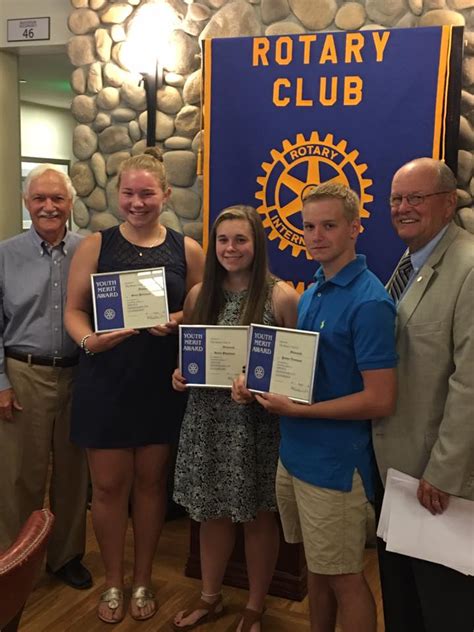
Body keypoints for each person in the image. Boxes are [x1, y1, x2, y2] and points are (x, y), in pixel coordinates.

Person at [248, 183, 398, 632]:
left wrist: (297, 412)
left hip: (335, 466)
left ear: (355, 228)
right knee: (318, 568)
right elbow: (303, 372)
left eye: (328, 226)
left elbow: (380, 398)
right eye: (308, 226)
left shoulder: (370, 302)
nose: (316, 236)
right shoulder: (314, 288)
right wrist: (254, 383)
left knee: (346, 578)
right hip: (295, 455)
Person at [64, 148, 204, 623]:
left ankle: (142, 580)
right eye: (129, 192)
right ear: (117, 194)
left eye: (147, 192)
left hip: (160, 383)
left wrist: (179, 318)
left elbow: (203, 311)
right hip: (106, 380)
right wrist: (90, 341)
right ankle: (112, 582)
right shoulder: (95, 246)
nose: (137, 202)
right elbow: (74, 308)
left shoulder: (188, 249)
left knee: (150, 485)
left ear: (165, 194)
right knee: (106, 489)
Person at [170, 205, 299, 632]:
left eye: (240, 239)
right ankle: (210, 598)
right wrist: (179, 376)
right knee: (210, 514)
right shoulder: (198, 295)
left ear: (257, 244)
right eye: (223, 240)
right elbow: (188, 361)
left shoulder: (281, 297)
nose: (230, 248)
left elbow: (293, 374)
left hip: (255, 428)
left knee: (259, 516)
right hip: (206, 422)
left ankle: (255, 607)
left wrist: (260, 389)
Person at [372, 157, 474, 632]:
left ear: (449, 203)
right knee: (402, 598)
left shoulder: (468, 268)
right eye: (396, 198)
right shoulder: (412, 262)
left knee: (444, 607)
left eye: (416, 197)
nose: (403, 208)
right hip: (398, 470)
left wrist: (444, 471)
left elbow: (469, 383)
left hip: (437, 481)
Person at [0, 164, 91, 590]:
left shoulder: (88, 251)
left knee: (74, 474)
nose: (48, 207)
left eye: (57, 199)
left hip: (78, 375)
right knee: (21, 476)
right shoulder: (5, 254)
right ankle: (15, 560)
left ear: (71, 203)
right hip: (23, 376)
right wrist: (0, 382)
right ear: (27, 203)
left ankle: (66, 555)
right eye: (40, 199)